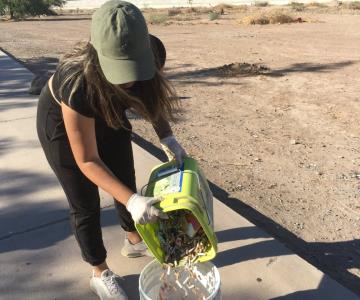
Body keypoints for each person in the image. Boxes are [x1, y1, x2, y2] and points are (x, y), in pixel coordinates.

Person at [36, 1, 187, 299]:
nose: (129, 79)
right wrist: (132, 201)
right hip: (64, 125)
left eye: (135, 68)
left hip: (108, 113)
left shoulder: (152, 51)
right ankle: (99, 271)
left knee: (124, 177)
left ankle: (133, 241)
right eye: (121, 70)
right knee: (85, 201)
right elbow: (88, 159)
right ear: (98, 56)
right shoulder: (76, 80)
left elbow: (149, 96)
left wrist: (167, 137)